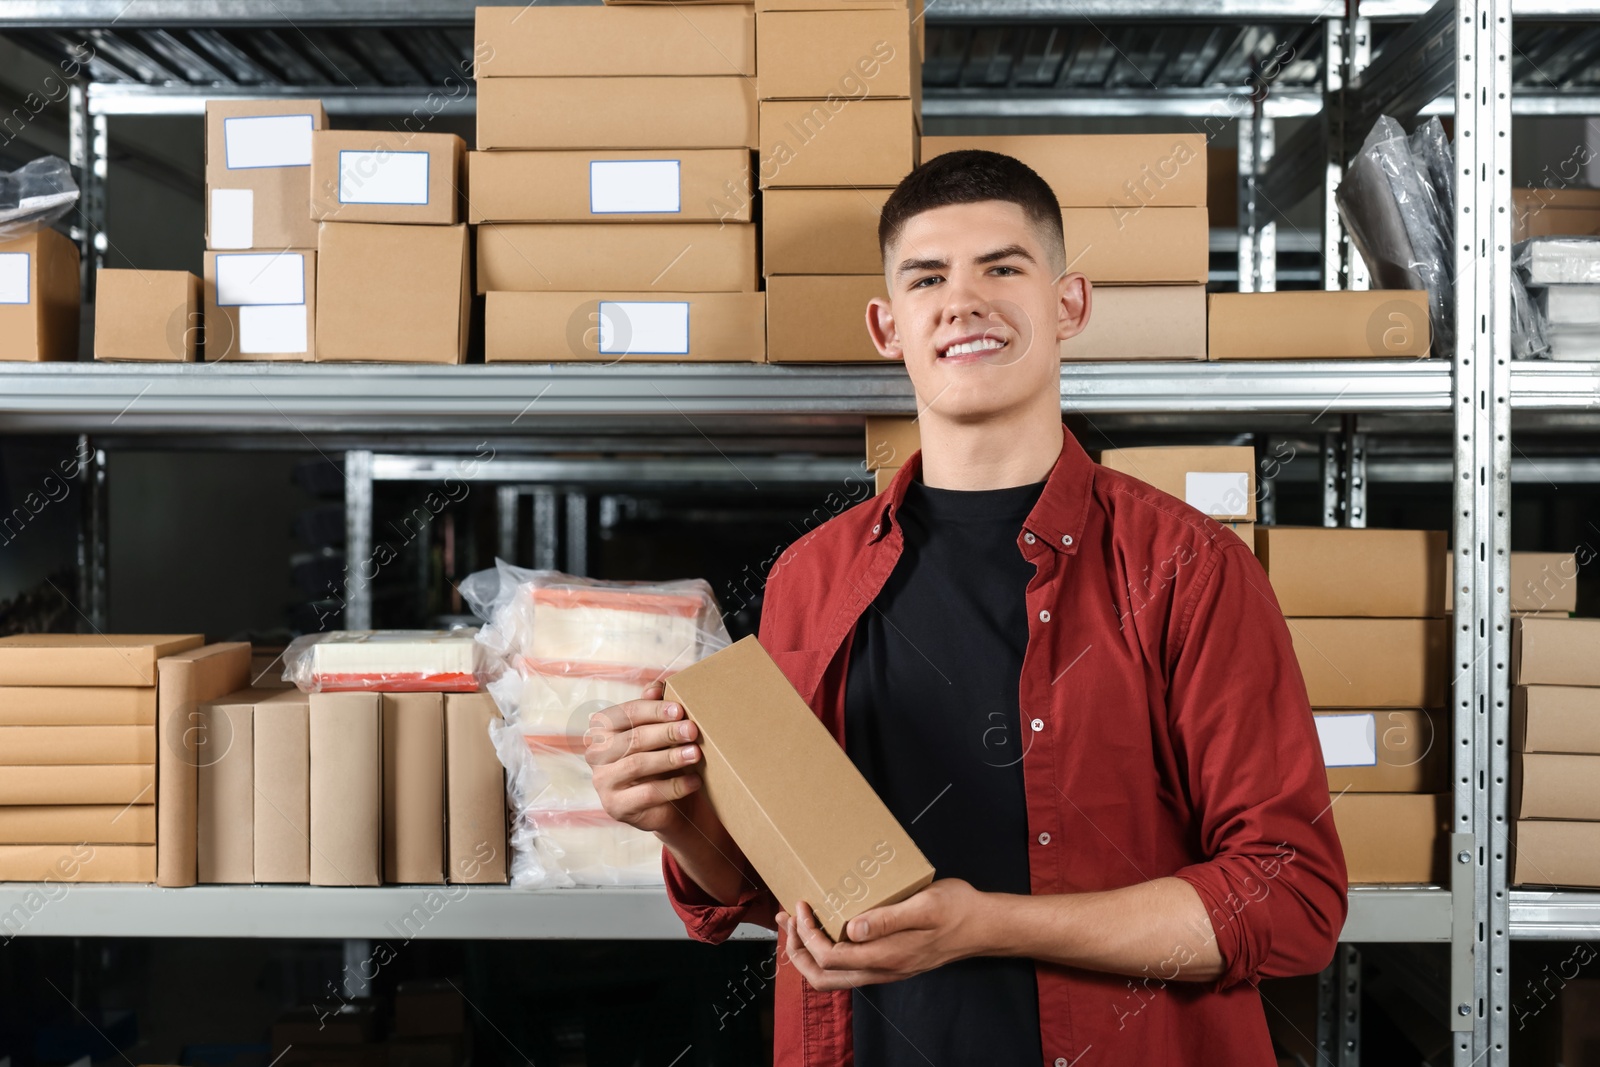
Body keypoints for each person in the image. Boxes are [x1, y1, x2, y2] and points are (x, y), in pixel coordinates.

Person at [588, 149, 1348, 1066]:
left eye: (1002, 267)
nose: (963, 301)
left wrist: (990, 925)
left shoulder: (1189, 569)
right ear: (887, 325)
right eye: (927, 277)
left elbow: (1289, 895)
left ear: (1068, 305)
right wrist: (672, 813)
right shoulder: (809, 578)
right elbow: (765, 887)